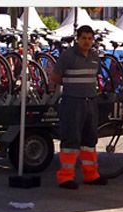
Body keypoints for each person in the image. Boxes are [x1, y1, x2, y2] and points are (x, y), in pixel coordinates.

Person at [51, 25, 108, 190]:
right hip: (72, 102)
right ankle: (65, 177)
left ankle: (91, 175)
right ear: (77, 38)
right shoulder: (67, 56)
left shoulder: (95, 56)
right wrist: (71, 86)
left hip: (90, 102)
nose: (87, 42)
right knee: (71, 139)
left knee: (89, 140)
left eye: (90, 38)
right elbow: (55, 77)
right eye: (84, 38)